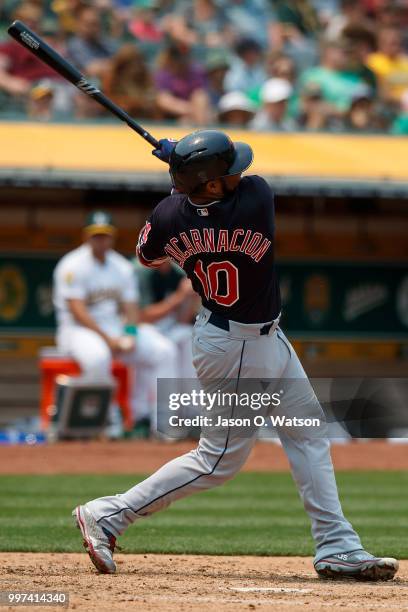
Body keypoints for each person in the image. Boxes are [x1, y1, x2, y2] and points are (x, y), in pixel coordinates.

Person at [72, 131, 398, 582]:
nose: (239, 172)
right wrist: (182, 169)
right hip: (239, 351)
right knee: (218, 460)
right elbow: (224, 196)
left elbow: (147, 256)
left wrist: (179, 181)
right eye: (227, 170)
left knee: (307, 434)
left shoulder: (169, 213)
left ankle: (337, 546)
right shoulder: (256, 199)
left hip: (252, 339)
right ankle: (107, 515)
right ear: (209, 182)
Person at [53, 210, 177, 432]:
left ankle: (156, 419)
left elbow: (130, 306)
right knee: (98, 357)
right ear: (86, 237)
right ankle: (109, 421)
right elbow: (77, 310)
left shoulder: (121, 266)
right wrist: (107, 338)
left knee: (163, 350)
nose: (100, 240)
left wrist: (129, 332)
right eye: (95, 235)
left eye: (104, 235)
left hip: (114, 328)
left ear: (112, 236)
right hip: (78, 331)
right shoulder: (71, 265)